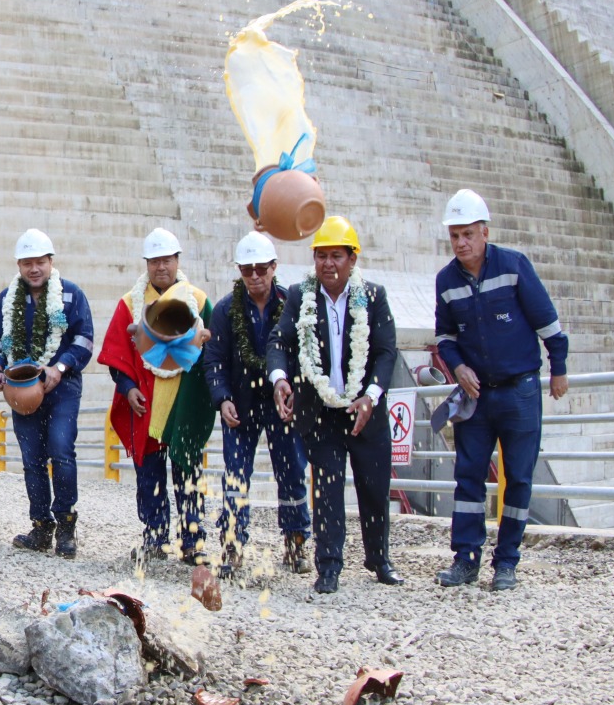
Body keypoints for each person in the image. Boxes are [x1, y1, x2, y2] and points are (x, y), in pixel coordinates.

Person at [434, 189, 569, 592]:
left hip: (520, 392)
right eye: (455, 235)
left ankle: (506, 562)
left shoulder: (513, 266)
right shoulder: (446, 281)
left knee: (519, 478)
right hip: (476, 398)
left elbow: (548, 323)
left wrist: (558, 370)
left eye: (468, 234)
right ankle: (465, 559)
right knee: (469, 477)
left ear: (484, 232)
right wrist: (457, 367)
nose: (461, 242)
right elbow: (444, 338)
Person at [267, 216, 403, 594]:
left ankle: (379, 559)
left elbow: (387, 352)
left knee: (374, 488)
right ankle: (328, 566)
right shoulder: (299, 296)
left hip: (366, 412)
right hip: (320, 414)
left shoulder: (374, 296)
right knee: (326, 489)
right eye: (322, 256)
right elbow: (280, 343)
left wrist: (371, 396)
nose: (329, 264)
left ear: (352, 259)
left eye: (337, 256)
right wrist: (280, 379)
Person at [100, 228, 218, 566]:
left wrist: (205, 340)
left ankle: (193, 540)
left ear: (177, 260)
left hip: (183, 400)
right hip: (146, 403)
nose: (160, 267)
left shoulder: (197, 299)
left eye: (166, 260)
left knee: (188, 471)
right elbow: (118, 356)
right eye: (154, 261)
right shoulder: (130, 303)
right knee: (149, 474)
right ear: (147, 264)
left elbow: (213, 351)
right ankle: (155, 538)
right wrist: (128, 388)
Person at [204, 231, 311, 574]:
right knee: (235, 475)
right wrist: (222, 400)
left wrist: (295, 392)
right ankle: (232, 545)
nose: (254, 276)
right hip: (241, 405)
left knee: (292, 472)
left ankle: (296, 543)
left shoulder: (292, 305)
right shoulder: (224, 310)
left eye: (261, 269)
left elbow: (303, 353)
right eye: (247, 270)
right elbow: (215, 359)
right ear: (239, 270)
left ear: (273, 267)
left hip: (284, 405)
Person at [0, 229, 94, 559]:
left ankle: (66, 526)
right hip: (22, 389)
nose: (34, 269)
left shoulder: (71, 295)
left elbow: (84, 339)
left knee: (61, 451)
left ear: (51, 262)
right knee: (32, 460)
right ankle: (40, 527)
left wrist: (59, 368)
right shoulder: (7, 300)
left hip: (63, 387)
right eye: (28, 263)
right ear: (19, 265)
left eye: (40, 262)